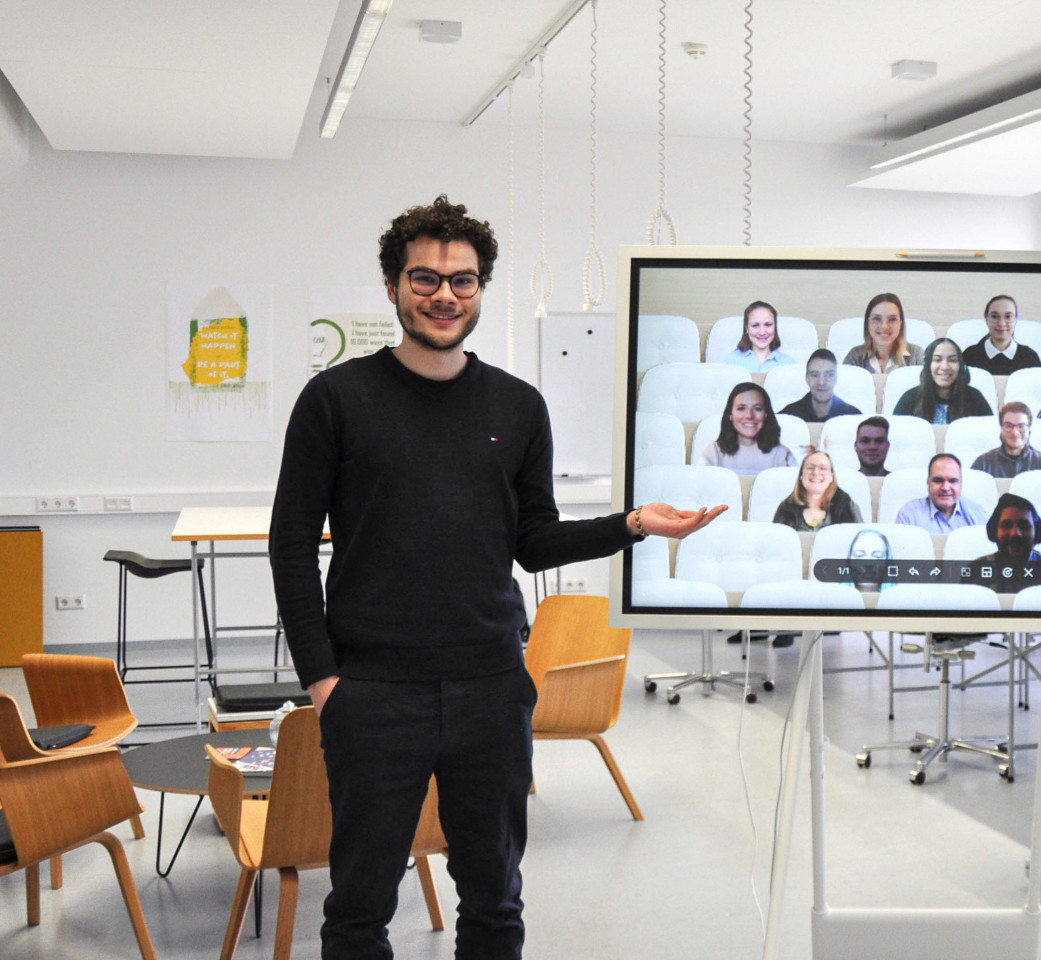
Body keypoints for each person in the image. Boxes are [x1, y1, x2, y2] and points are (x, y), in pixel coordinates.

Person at [269, 195, 726, 960]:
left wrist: (633, 524)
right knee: (357, 911)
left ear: (481, 290)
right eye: (425, 278)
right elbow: (289, 548)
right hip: (373, 694)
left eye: (463, 280)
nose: (445, 294)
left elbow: (535, 544)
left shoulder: (517, 406)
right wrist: (324, 683)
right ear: (393, 287)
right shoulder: (336, 400)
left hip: (490, 688)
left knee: (495, 903)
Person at [969, 493, 1041, 592]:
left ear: (1037, 532)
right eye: (1007, 525)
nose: (1015, 534)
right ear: (994, 531)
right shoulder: (975, 572)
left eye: (1024, 526)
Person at [697, 382, 797, 475]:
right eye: (741, 408)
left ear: (766, 414)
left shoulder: (783, 455)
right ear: (730, 414)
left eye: (757, 409)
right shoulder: (714, 452)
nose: (749, 416)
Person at [892, 337, 993, 424]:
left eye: (952, 360)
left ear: (961, 366)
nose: (945, 367)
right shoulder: (909, 399)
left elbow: (990, 436)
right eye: (937, 360)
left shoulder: (975, 398)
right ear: (927, 365)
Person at [893, 453, 985, 534]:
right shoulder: (909, 514)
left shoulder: (977, 513)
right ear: (928, 482)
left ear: (960, 484)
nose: (945, 488)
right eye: (938, 481)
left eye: (953, 481)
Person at [772, 449, 862, 531]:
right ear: (801, 475)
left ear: (831, 477)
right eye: (810, 467)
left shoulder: (847, 507)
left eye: (823, 468)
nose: (815, 472)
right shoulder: (786, 509)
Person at [970, 402, 1041, 478]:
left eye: (1021, 426)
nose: (1015, 432)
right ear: (1001, 428)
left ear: (1029, 430)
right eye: (1008, 426)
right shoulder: (982, 464)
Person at [964, 294, 1041, 376]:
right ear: (986, 319)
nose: (1001, 324)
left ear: (1016, 319)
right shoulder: (969, 356)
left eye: (1008, 317)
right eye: (994, 316)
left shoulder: (1029, 358)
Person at [780, 348, 862, 423]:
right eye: (815, 375)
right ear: (806, 378)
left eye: (829, 375)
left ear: (836, 378)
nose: (821, 382)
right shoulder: (787, 417)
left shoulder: (853, 417)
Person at [841, 292, 917, 373]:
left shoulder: (915, 354)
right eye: (876, 319)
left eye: (892, 319)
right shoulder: (855, 356)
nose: (884, 326)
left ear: (900, 324)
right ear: (867, 324)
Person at [721, 300, 795, 372]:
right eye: (755, 325)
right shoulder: (730, 361)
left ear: (775, 327)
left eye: (768, 325)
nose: (762, 332)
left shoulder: (789, 365)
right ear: (747, 328)